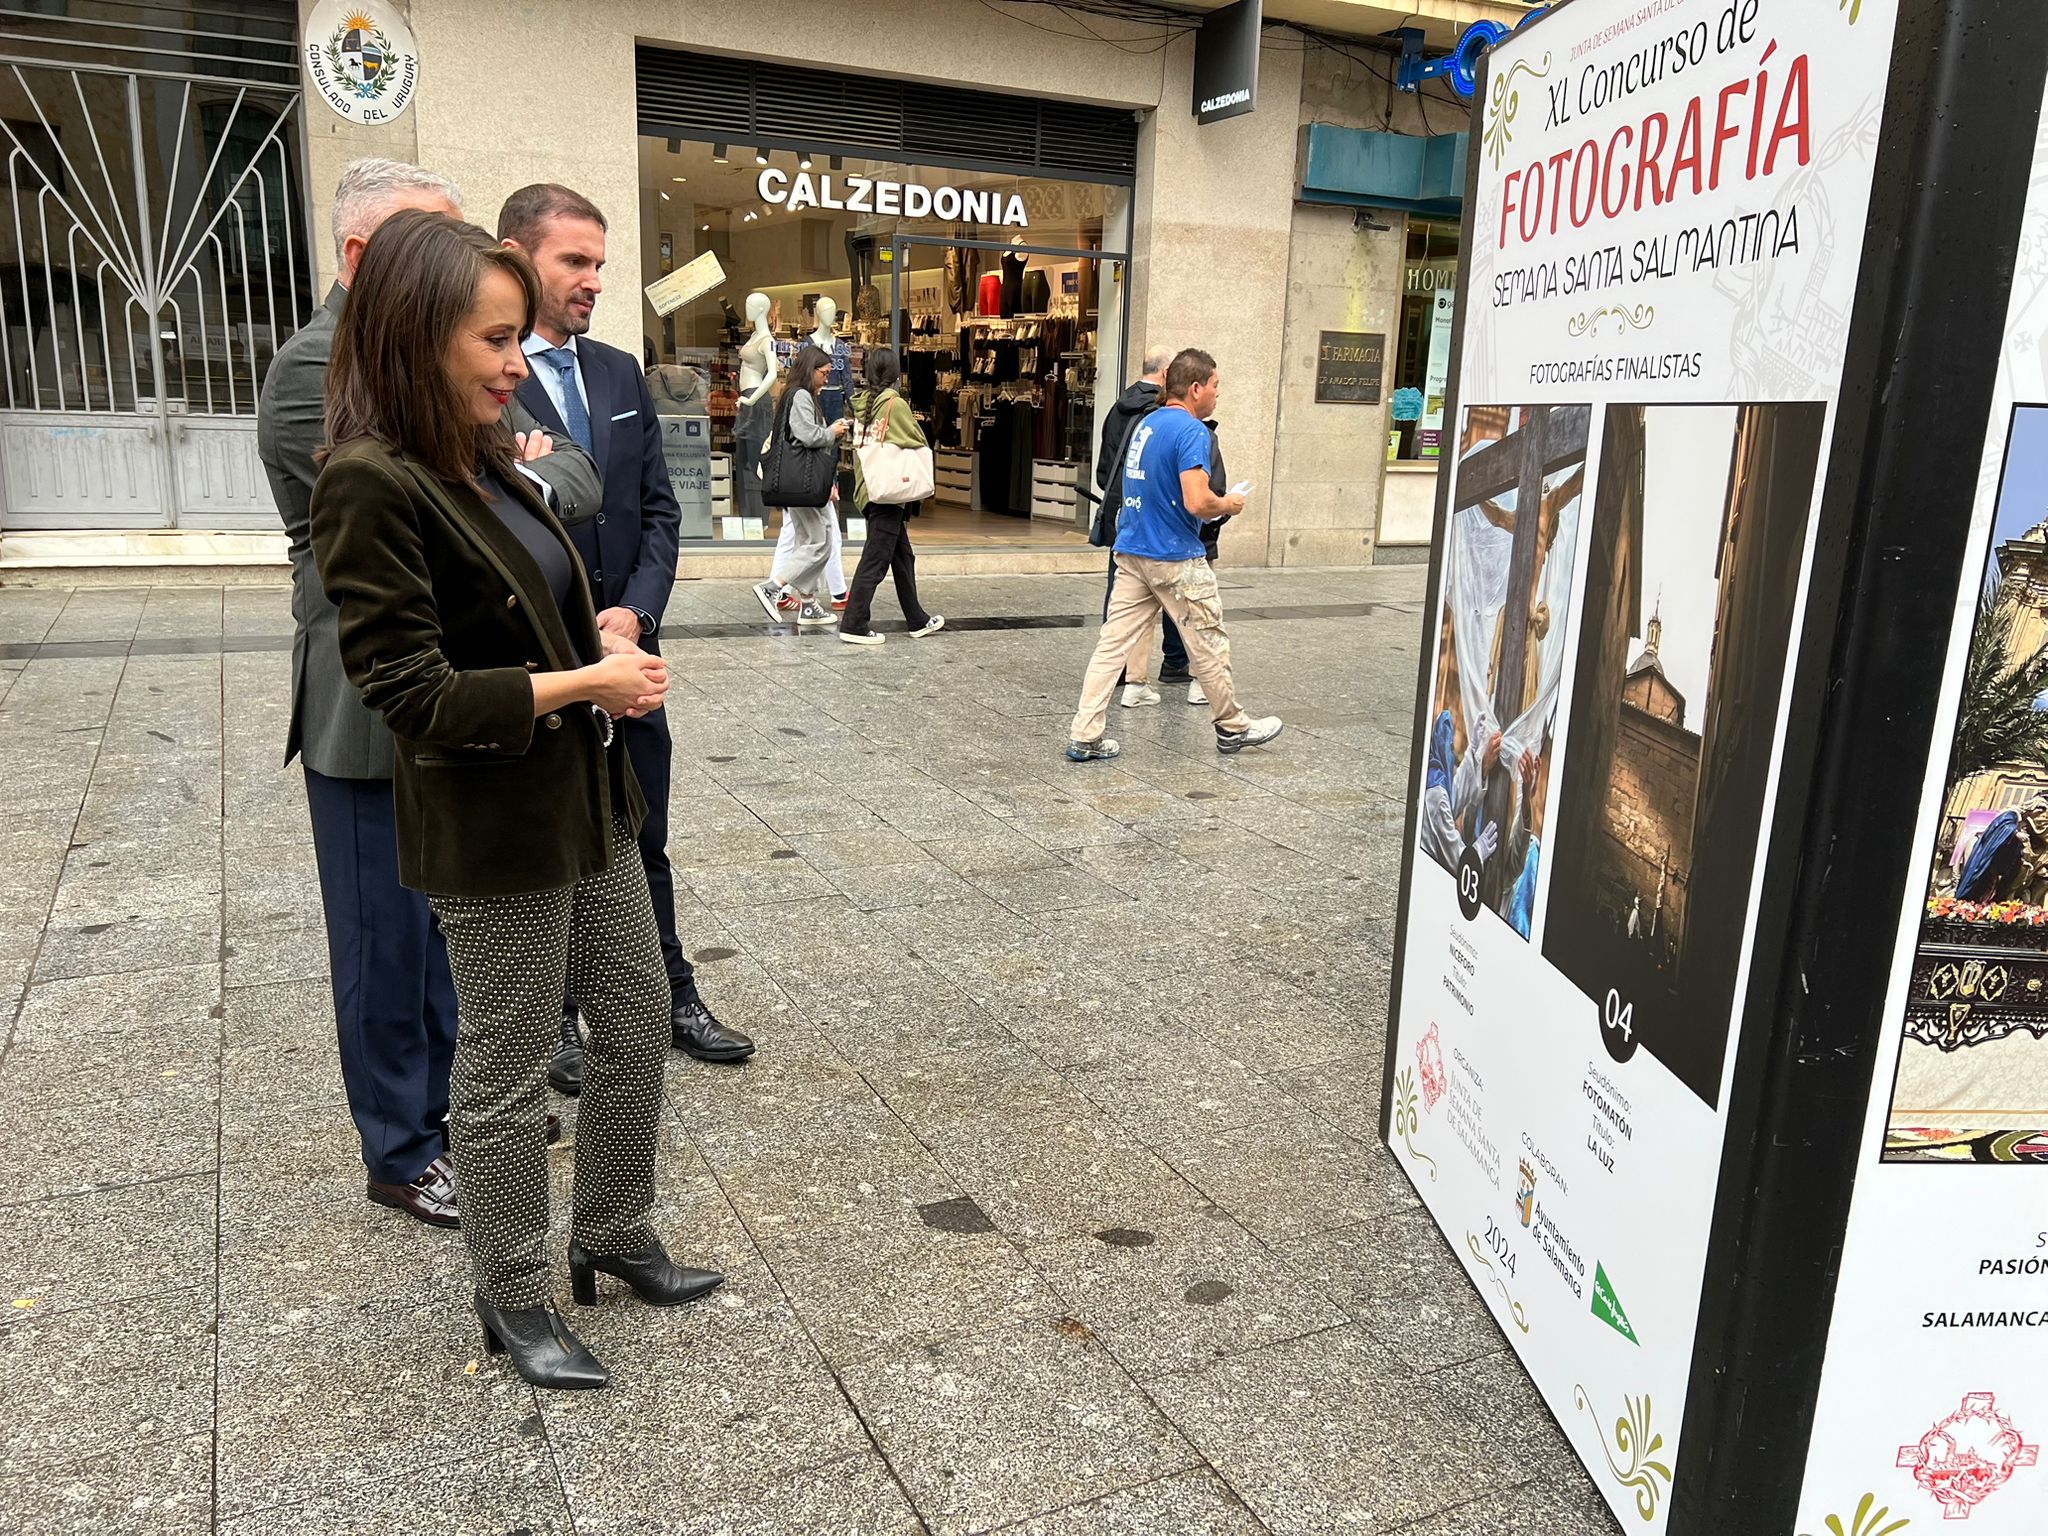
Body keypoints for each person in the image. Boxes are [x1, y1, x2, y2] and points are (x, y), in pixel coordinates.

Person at [310, 211, 722, 1390]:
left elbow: (545, 577)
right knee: (501, 1067)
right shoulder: (369, 480)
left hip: (583, 799)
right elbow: (409, 690)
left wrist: (588, 633)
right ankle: (513, 1295)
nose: (514, 361)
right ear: (415, 336)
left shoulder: (480, 452)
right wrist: (583, 679)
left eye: (514, 336)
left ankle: (614, 1229)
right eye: (493, 340)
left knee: (637, 1019)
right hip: (491, 828)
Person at [257, 158, 592, 1228]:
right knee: (382, 944)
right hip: (372, 711)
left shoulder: (445, 360)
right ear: (366, 260)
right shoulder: (322, 368)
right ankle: (400, 1150)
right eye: (428, 243)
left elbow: (561, 479)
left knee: (453, 928)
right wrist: (516, 471)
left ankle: (457, 1112)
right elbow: (456, 523)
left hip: (476, 694)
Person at [499, 183, 755, 1092]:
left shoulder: (615, 372)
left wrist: (635, 615)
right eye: (575, 260)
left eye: (601, 264)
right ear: (517, 255)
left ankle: (673, 994)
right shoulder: (482, 379)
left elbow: (660, 511)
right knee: (552, 851)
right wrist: (575, 634)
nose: (594, 280)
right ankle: (561, 1017)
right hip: (541, 673)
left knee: (643, 834)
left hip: (628, 658)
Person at [1065, 349, 1282, 762]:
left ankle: (1085, 733)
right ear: (1196, 388)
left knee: (1112, 645)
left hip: (1132, 550)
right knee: (1208, 641)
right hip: (1174, 555)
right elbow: (1197, 501)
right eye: (1216, 385)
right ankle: (1233, 727)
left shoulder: (1146, 423)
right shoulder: (1192, 431)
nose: (1218, 394)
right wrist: (1229, 502)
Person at [838, 346, 944, 646]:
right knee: (875, 558)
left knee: (902, 556)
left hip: (870, 488)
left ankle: (917, 619)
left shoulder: (861, 404)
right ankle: (854, 622)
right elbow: (916, 439)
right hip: (889, 493)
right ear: (896, 374)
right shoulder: (894, 405)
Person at [750, 344, 844, 630]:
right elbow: (806, 435)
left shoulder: (794, 394)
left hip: (798, 481)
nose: (826, 380)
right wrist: (833, 432)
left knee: (811, 541)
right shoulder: (801, 396)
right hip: (802, 481)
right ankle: (773, 586)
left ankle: (808, 603)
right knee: (820, 541)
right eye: (824, 373)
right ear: (811, 370)